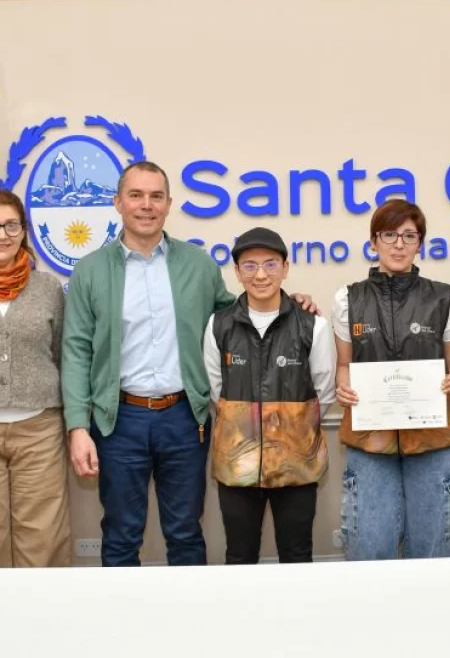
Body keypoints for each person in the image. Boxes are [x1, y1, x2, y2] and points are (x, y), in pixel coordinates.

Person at [62, 161, 234, 566]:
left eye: (156, 196)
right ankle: (124, 628)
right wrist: (76, 428)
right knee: (121, 536)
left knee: (186, 533)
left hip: (184, 418)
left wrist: (291, 305)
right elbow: (75, 351)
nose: (146, 205)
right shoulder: (89, 271)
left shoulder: (199, 265)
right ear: (118, 202)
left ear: (169, 204)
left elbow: (234, 322)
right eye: (136, 195)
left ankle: (187, 627)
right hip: (119, 420)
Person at [333, 200, 450, 560]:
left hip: (434, 438)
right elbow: (344, 366)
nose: (398, 244)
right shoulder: (348, 299)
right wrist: (343, 388)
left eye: (409, 236)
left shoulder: (444, 296)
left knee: (432, 550)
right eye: (389, 234)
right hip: (370, 440)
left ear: (420, 243)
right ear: (374, 241)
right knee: (369, 548)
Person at [204, 227, 336, 564]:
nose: (260, 274)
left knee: (296, 553)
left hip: (297, 462)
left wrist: (290, 431)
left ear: (285, 268)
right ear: (237, 272)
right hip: (237, 462)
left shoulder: (312, 325)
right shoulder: (219, 325)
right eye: (249, 266)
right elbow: (216, 389)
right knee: (240, 554)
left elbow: (323, 390)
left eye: (270, 264)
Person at [0, 190, 71, 567]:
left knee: (42, 539)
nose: (2, 234)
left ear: (23, 230)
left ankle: (44, 622)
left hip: (38, 429)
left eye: (11, 225)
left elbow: (62, 353)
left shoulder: (47, 288)